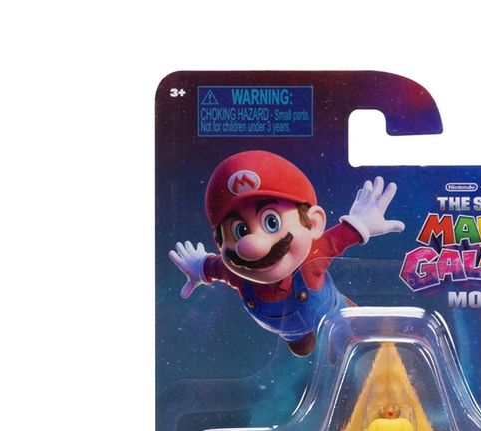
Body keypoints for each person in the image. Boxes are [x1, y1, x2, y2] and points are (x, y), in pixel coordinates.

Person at [170, 150, 403, 356]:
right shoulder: (238, 274)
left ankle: (348, 325)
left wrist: (361, 223)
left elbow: (337, 238)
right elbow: (215, 267)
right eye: (240, 231)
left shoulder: (312, 260)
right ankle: (300, 338)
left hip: (331, 310)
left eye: (271, 222)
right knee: (301, 348)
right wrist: (199, 268)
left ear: (313, 223)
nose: (252, 245)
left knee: (352, 332)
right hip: (290, 331)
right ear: (219, 243)